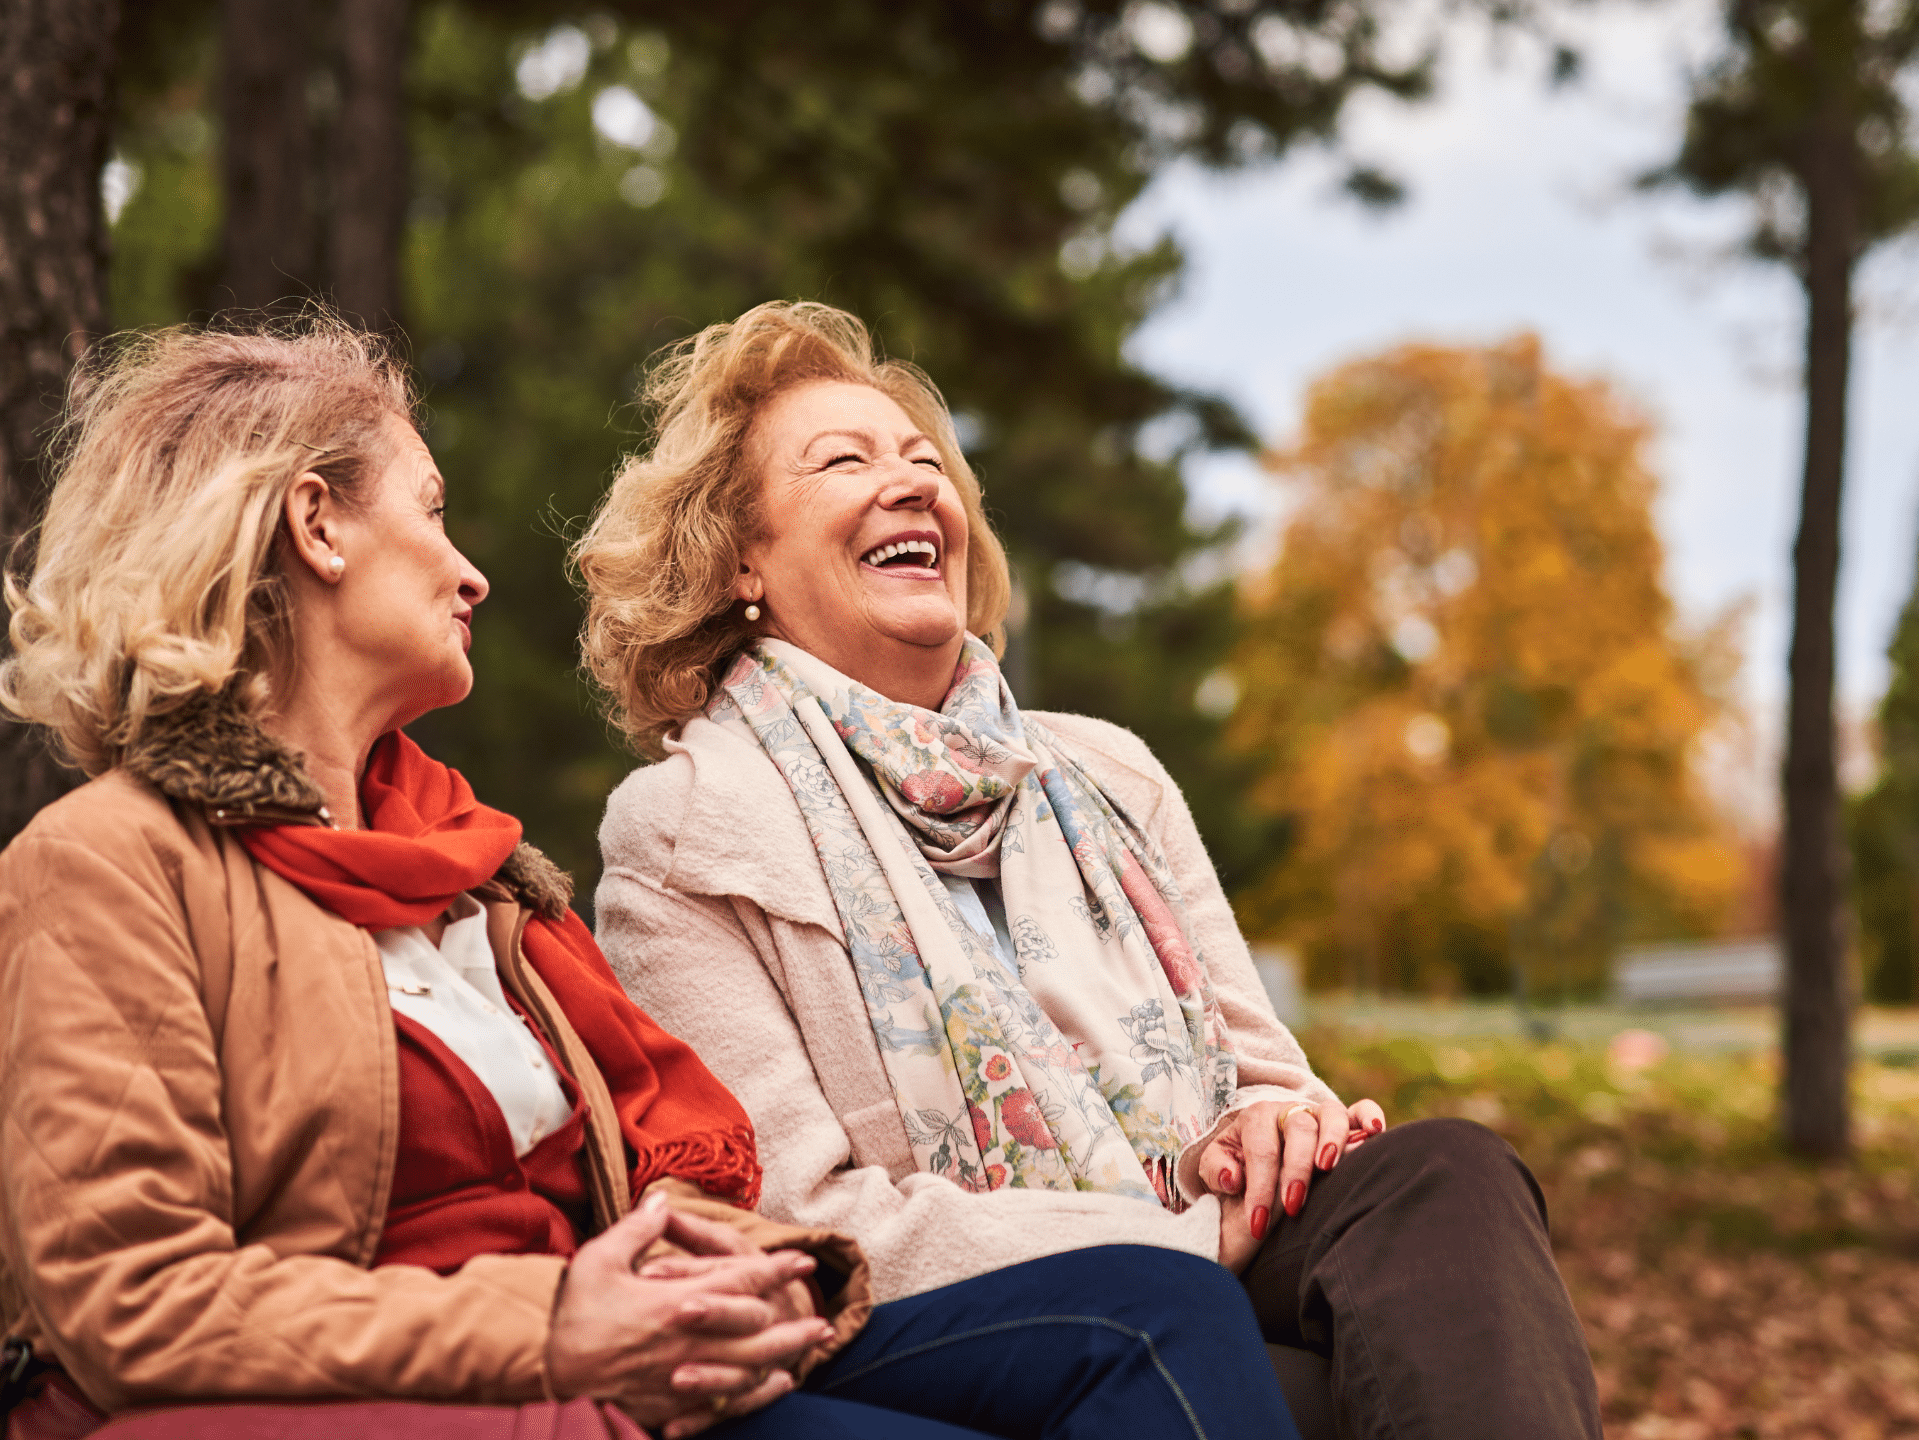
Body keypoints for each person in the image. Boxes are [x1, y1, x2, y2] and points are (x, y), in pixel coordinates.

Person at [0, 318, 1295, 1440]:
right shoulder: (106, 869)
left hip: (628, 1376)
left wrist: (745, 1281)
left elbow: (666, 1176)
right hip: (468, 1389)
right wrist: (558, 1321)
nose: (473, 570)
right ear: (315, 524)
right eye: (433, 509)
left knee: (1169, 1303)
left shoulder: (481, 885)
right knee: (1146, 1316)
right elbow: (131, 1295)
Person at [577, 300, 1604, 1440]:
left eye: (927, 462)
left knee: (1444, 1173)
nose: (916, 486)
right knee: (1183, 1320)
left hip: (1212, 1226)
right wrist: (1174, 1237)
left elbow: (1268, 1073)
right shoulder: (685, 832)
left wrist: (1267, 1123)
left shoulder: (1108, 771)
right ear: (740, 562)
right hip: (981, 1303)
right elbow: (796, 1215)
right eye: (844, 462)